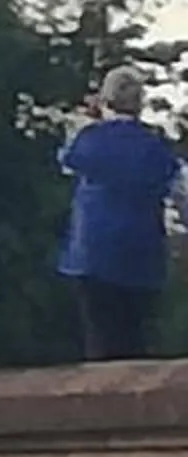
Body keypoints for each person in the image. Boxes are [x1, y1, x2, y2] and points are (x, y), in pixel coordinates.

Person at [58, 65, 188, 361]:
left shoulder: (89, 138)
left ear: (106, 99)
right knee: (135, 338)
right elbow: (181, 194)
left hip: (91, 252)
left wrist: (89, 119)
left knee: (99, 338)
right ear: (140, 102)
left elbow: (67, 160)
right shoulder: (155, 148)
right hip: (141, 253)